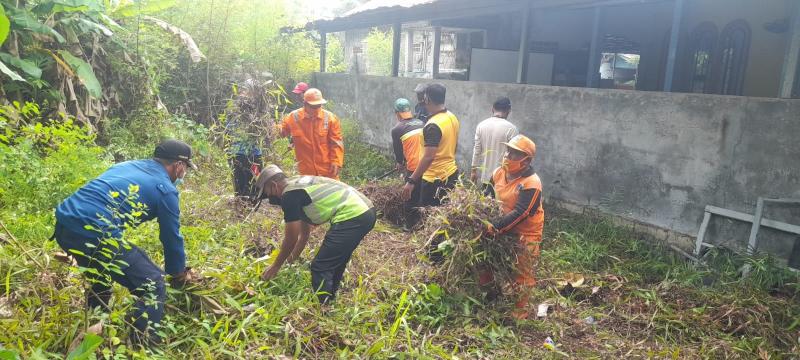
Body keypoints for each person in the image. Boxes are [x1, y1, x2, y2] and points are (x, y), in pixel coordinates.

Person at [53, 139, 199, 346]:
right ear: (179, 165)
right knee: (152, 282)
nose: (184, 174)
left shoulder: (127, 165)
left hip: (64, 226)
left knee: (100, 274)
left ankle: (96, 325)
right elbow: (171, 236)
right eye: (185, 169)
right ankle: (143, 347)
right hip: (94, 232)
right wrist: (177, 273)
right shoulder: (166, 190)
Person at [255, 165, 376, 304]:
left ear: (274, 186)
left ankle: (322, 308)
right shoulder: (297, 186)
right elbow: (303, 236)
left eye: (268, 193)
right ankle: (329, 300)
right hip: (366, 211)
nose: (270, 199)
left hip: (353, 215)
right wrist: (289, 262)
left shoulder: (289, 196)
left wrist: (275, 266)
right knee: (335, 262)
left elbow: (291, 238)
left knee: (320, 266)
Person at [483, 134, 544, 319]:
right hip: (500, 223)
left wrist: (494, 227)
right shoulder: (499, 172)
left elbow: (521, 212)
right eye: (508, 151)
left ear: (526, 161)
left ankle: (520, 310)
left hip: (525, 232)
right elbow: (486, 195)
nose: (508, 156)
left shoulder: (532, 183)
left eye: (515, 154)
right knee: (485, 259)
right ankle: (490, 294)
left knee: (522, 270)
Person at [401, 83, 460, 208]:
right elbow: (455, 146)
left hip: (435, 180)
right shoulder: (451, 116)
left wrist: (411, 181)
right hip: (451, 173)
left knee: (427, 216)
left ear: (427, 99)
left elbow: (429, 157)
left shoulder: (433, 125)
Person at [280, 88, 344, 179]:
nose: (317, 109)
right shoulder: (293, 117)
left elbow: (337, 143)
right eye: (313, 106)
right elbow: (281, 132)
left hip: (327, 170)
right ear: (305, 104)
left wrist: (336, 161)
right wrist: (270, 127)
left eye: (319, 105)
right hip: (306, 172)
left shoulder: (330, 118)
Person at [225, 79, 264, 198]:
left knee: (255, 182)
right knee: (240, 184)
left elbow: (264, 130)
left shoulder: (259, 110)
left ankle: (253, 204)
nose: (244, 94)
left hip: (254, 155)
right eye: (243, 91)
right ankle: (241, 206)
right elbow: (228, 131)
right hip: (238, 154)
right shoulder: (234, 111)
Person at [390, 98, 424, 229]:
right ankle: (423, 222)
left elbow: (398, 152)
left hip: (414, 167)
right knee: (423, 195)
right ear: (409, 111)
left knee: (409, 196)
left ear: (397, 113)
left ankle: (409, 225)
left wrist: (400, 162)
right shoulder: (422, 122)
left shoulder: (397, 129)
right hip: (428, 165)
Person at [470, 97, 518, 191]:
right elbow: (514, 156)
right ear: (508, 111)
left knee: (485, 204)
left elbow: (477, 150)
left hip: (486, 178)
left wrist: (473, 171)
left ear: (492, 109)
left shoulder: (481, 125)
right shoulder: (512, 129)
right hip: (503, 179)